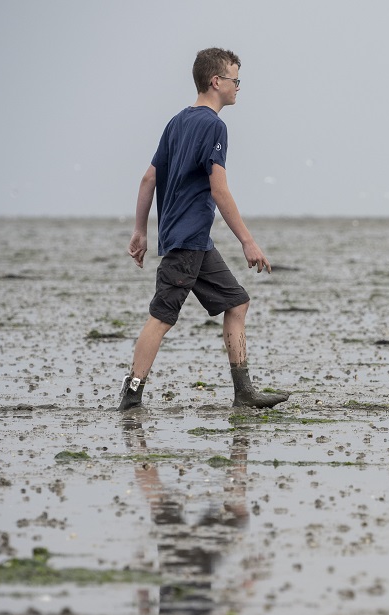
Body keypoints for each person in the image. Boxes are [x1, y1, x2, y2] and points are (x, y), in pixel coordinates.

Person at [119, 47, 288, 411]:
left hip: (192, 239)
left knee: (237, 302)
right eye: (235, 79)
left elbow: (149, 178)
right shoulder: (214, 125)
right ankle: (131, 396)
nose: (238, 86)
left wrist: (141, 231)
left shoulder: (177, 121)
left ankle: (244, 392)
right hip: (187, 241)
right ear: (216, 81)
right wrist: (248, 242)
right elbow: (219, 190)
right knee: (162, 316)